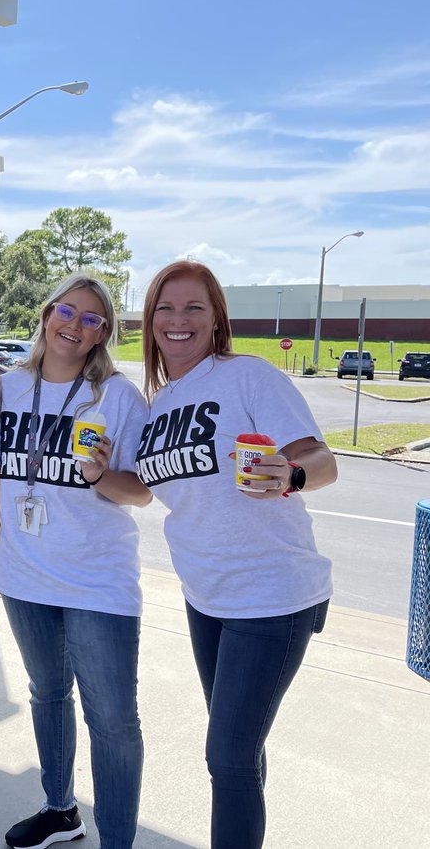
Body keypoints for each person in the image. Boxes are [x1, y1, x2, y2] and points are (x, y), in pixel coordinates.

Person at [133, 260, 336, 849]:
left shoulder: (249, 377)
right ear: (149, 322)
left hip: (273, 596)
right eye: (166, 308)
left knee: (228, 757)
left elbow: (324, 461)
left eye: (194, 307)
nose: (178, 320)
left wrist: (291, 475)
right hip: (207, 598)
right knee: (241, 754)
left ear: (216, 317)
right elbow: (146, 490)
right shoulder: (159, 403)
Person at [0, 274, 152, 849]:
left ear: (105, 333)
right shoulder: (11, 387)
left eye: (92, 318)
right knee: (47, 692)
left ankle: (118, 840)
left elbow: (140, 492)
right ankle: (60, 810)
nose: (75, 326)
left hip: (96, 579)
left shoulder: (118, 397)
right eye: (67, 311)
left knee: (113, 720)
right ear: (47, 312)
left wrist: (103, 475)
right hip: (26, 574)